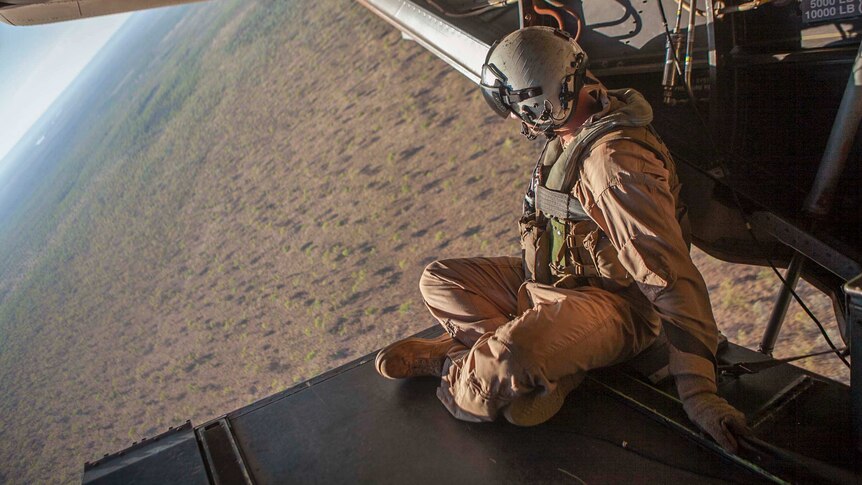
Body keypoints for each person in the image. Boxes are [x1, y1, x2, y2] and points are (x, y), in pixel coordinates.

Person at [375, 26, 749, 453]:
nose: (517, 119)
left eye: (517, 108)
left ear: (540, 101)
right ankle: (536, 363)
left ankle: (457, 364)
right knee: (440, 279)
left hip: (616, 306)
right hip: (555, 280)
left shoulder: (614, 168)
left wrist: (700, 396)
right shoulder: (579, 119)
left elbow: (671, 280)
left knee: (509, 363)